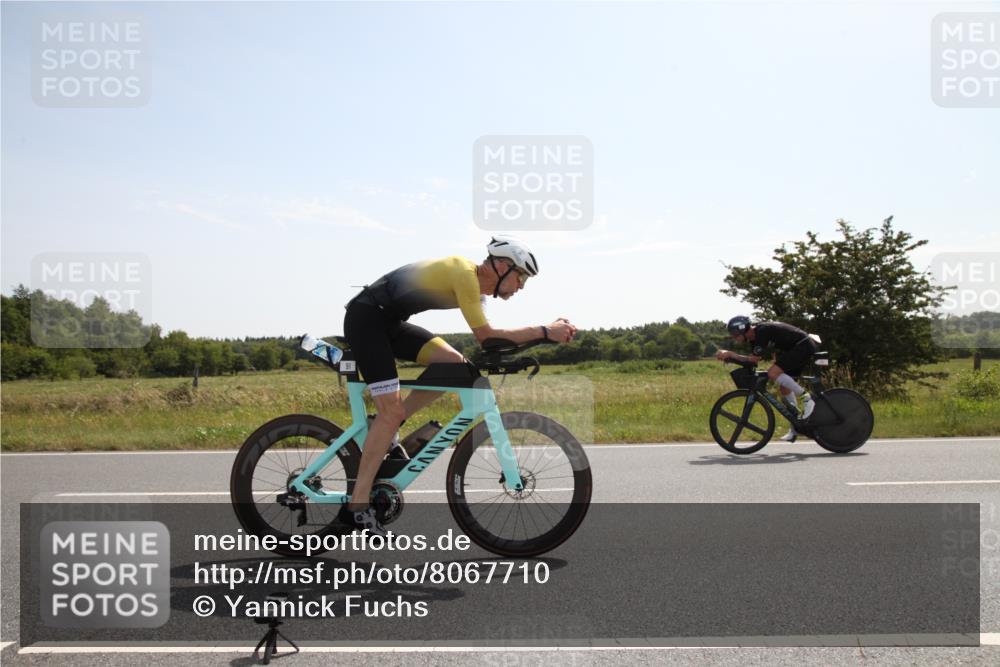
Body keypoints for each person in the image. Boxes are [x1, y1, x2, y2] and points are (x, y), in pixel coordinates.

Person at [340, 236, 577, 535]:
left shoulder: (476, 292)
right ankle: (357, 508)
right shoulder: (465, 276)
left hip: (389, 322)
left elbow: (493, 344)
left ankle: (390, 423)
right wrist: (545, 330)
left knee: (454, 364)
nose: (521, 287)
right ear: (503, 266)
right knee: (389, 411)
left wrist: (546, 335)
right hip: (367, 319)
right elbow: (488, 337)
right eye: (521, 277)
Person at [715, 316, 817, 442]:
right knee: (784, 388)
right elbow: (754, 361)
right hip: (796, 348)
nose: (734, 338)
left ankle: (807, 398)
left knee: (772, 373)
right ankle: (795, 427)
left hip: (803, 346)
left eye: (735, 335)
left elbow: (751, 359)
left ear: (741, 331)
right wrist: (732, 358)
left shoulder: (761, 332)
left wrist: (731, 354)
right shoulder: (754, 338)